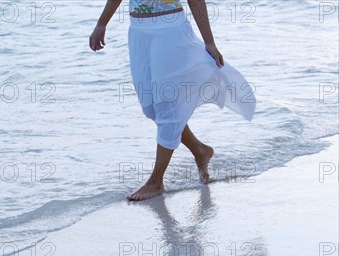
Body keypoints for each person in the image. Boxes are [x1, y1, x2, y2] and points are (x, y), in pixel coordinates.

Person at [90, 0, 256, 201]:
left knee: (167, 106)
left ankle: (156, 181)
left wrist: (209, 42)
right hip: (139, 33)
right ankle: (200, 150)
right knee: (151, 108)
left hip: (171, 33)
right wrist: (102, 24)